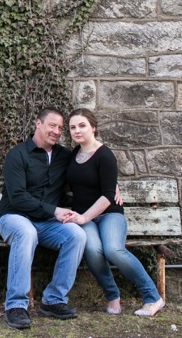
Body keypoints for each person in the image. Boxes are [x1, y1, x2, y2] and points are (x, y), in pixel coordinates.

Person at [63, 108, 165, 317]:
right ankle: (112, 296)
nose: (77, 130)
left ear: (93, 127)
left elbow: (108, 196)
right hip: (84, 215)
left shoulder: (105, 155)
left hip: (109, 214)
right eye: (73, 127)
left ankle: (152, 297)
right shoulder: (74, 154)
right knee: (92, 250)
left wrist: (84, 216)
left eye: (82, 125)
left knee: (113, 250)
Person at [0, 108, 86, 329]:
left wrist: (113, 184)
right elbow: (17, 198)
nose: (56, 131)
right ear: (38, 124)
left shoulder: (64, 156)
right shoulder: (17, 155)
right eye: (51, 125)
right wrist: (54, 210)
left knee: (76, 235)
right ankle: (15, 306)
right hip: (15, 217)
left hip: (45, 223)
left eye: (60, 128)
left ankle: (54, 300)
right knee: (26, 232)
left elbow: (92, 162)